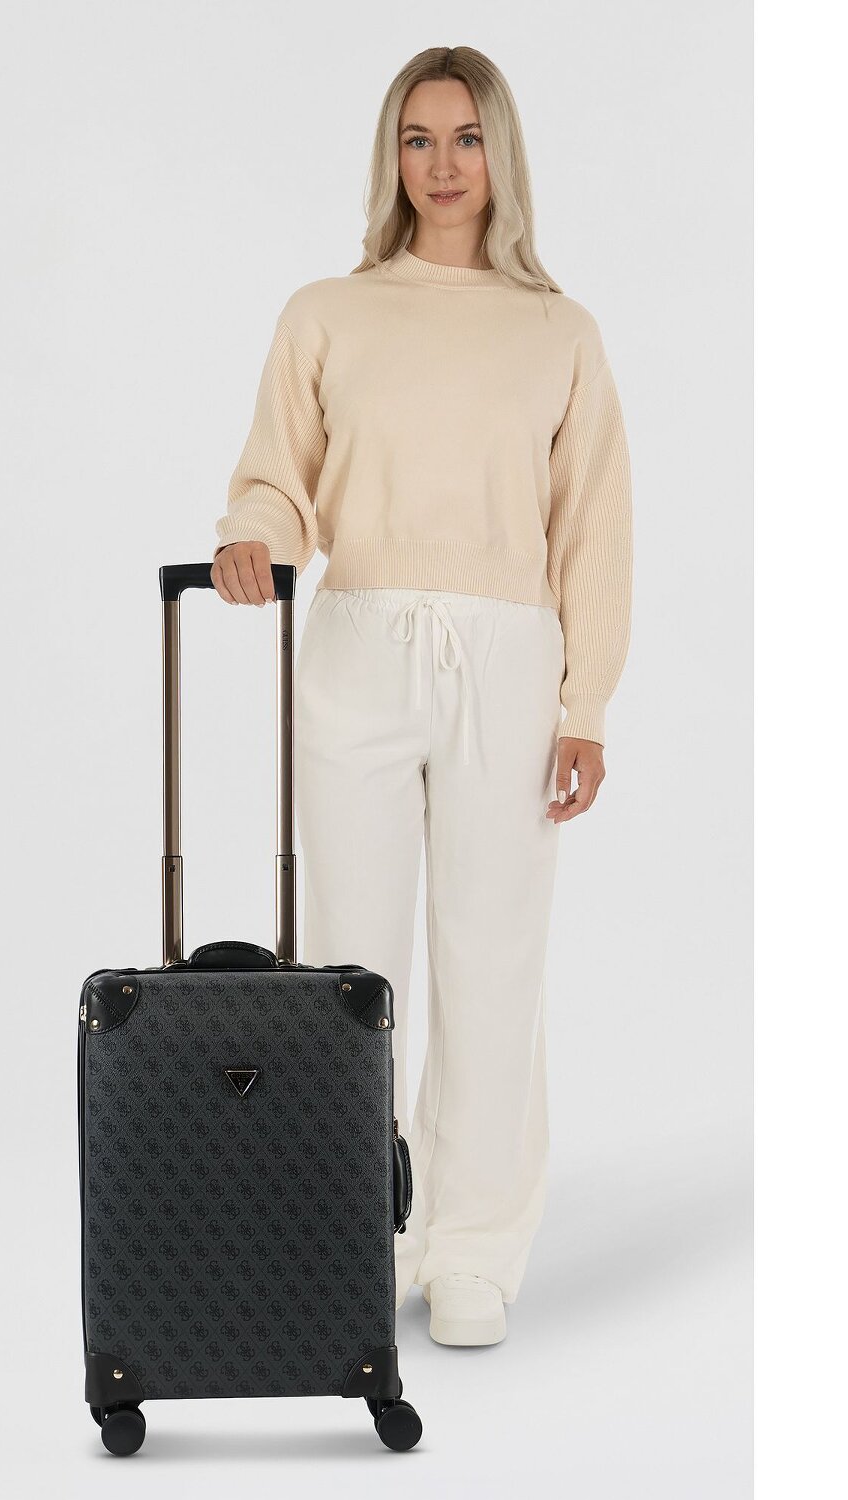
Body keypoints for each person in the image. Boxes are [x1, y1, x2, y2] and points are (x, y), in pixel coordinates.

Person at [210, 46, 633, 1347]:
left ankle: (473, 1250)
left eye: (465, 138)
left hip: (508, 660)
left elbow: (593, 528)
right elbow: (278, 476)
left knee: (493, 957)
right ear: (390, 157)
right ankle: (354, 1232)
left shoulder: (559, 331)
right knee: (349, 960)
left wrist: (585, 704)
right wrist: (252, 537)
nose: (442, 165)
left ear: (501, 153)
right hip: (358, 645)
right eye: (417, 139)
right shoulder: (327, 313)